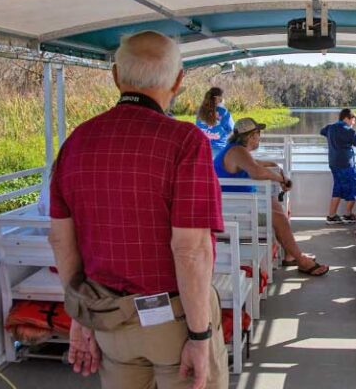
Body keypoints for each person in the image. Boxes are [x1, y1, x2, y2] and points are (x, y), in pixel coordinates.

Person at [49, 31, 228, 389]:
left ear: (116, 76)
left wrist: (82, 317)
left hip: (110, 320)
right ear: (178, 81)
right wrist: (199, 336)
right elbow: (190, 250)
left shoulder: (76, 142)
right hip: (175, 321)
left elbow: (60, 239)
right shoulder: (185, 142)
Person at [215, 118, 329, 276]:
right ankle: (301, 261)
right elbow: (257, 171)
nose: (260, 137)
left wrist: (274, 165)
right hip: (235, 212)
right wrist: (281, 179)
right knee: (279, 218)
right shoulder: (237, 152)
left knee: (272, 202)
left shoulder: (236, 150)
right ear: (251, 136)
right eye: (258, 133)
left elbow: (256, 163)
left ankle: (290, 255)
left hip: (237, 204)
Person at [320, 109, 356, 224]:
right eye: (353, 120)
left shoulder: (330, 127)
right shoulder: (348, 131)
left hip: (333, 163)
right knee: (353, 187)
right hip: (346, 164)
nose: (354, 123)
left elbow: (322, 132)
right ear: (347, 118)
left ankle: (331, 216)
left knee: (338, 188)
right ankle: (348, 214)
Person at [196, 87, 234, 157]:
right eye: (221, 97)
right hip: (219, 151)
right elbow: (232, 131)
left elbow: (198, 129)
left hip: (202, 150)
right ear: (218, 98)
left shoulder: (200, 112)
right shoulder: (224, 112)